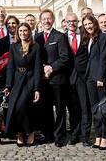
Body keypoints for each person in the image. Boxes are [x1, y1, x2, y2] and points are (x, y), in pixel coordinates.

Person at [35, 9, 71, 147]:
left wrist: (51, 68)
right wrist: (43, 66)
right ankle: (48, 134)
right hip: (43, 80)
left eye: (49, 18)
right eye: (44, 19)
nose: (46, 21)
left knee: (60, 108)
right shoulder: (37, 37)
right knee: (46, 109)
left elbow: (65, 57)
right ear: (41, 20)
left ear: (53, 19)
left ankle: (60, 135)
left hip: (57, 79)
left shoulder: (59, 36)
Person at [4, 23, 41, 147]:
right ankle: (19, 133)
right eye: (20, 31)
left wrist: (37, 88)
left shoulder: (36, 47)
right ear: (17, 33)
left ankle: (30, 133)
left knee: (25, 106)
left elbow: (37, 68)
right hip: (17, 80)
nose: (23, 33)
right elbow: (10, 66)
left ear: (29, 32)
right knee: (16, 108)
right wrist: (8, 85)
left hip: (30, 79)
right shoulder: (13, 46)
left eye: (25, 30)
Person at [82, 14, 106, 150]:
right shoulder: (89, 38)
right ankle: (98, 135)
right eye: (85, 25)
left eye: (90, 23)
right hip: (90, 78)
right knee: (95, 109)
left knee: (104, 109)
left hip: (100, 78)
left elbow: (104, 58)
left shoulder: (103, 37)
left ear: (95, 23)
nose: (88, 26)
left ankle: (105, 136)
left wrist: (101, 77)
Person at [66, 12, 92, 147]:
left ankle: (85, 136)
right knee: (73, 108)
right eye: (69, 21)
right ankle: (74, 134)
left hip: (84, 76)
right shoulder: (62, 37)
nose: (72, 23)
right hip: (69, 77)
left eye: (74, 21)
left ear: (78, 22)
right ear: (65, 23)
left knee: (85, 107)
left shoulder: (86, 34)